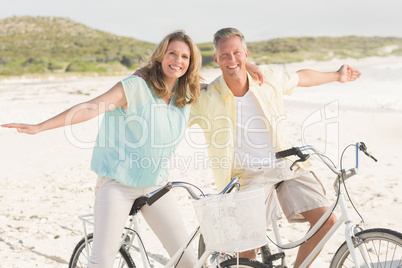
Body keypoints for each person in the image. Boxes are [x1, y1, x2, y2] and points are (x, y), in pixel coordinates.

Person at [2, 30, 202, 267]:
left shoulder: (186, 93)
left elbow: (221, 84)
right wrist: (40, 126)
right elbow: (89, 108)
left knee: (188, 260)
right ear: (161, 56)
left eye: (184, 57)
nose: (178, 61)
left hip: (154, 184)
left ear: (190, 64)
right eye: (172, 53)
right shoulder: (135, 86)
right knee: (102, 261)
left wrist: (244, 68)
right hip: (117, 184)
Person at [189, 27, 361, 268]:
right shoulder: (208, 98)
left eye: (237, 53)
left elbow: (302, 77)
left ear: (246, 54)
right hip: (248, 175)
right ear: (216, 59)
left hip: (286, 164)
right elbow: (174, 96)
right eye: (224, 55)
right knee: (248, 252)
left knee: (327, 220)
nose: (232, 59)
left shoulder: (265, 78)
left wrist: (337, 74)